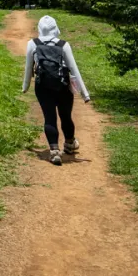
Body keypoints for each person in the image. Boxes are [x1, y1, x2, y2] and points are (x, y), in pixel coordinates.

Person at [22, 15, 91, 166]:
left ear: (39, 28)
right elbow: (74, 69)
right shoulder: (63, 45)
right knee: (65, 116)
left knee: (49, 117)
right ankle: (69, 144)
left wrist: (25, 86)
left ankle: (54, 151)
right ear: (55, 28)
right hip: (63, 86)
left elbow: (28, 68)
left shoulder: (32, 44)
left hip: (43, 87)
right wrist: (84, 94)